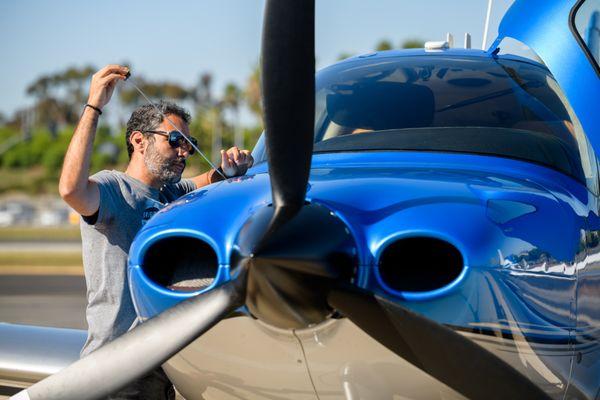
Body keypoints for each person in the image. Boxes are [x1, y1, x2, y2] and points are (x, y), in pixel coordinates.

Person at [58, 64, 253, 399]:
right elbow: (71, 190)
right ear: (139, 141)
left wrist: (230, 168)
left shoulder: (171, 194)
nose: (184, 152)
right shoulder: (113, 187)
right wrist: (94, 106)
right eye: (175, 141)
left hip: (160, 369)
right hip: (115, 369)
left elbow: (208, 180)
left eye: (190, 144)